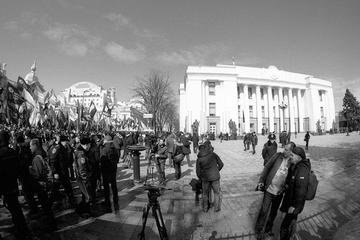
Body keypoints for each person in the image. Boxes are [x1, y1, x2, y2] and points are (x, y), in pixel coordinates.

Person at [255, 142, 296, 239]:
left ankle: (268, 230)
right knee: (264, 211)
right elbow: (267, 167)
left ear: (291, 152)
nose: (284, 151)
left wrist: (285, 187)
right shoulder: (278, 156)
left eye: (286, 150)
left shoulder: (292, 163)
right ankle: (259, 231)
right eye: (284, 149)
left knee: (273, 212)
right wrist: (261, 180)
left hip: (279, 193)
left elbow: (292, 178)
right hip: (269, 189)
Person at [0, 130, 33, 239]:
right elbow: (18, 168)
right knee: (16, 209)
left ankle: (21, 230)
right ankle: (23, 229)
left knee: (13, 208)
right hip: (13, 184)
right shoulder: (13, 151)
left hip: (4, 186)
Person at [279, 147, 310, 240]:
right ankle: (291, 237)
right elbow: (291, 183)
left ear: (299, 157)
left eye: (292, 155)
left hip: (293, 204)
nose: (290, 156)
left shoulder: (302, 170)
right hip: (290, 201)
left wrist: (295, 207)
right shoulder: (296, 166)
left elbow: (301, 190)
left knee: (284, 227)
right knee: (291, 223)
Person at [29, 138, 58, 231]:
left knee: (45, 206)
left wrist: (30, 170)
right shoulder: (42, 154)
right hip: (47, 184)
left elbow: (37, 174)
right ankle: (50, 222)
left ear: (35, 145)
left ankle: (52, 224)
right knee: (46, 205)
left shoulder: (37, 158)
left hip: (42, 185)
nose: (30, 148)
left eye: (30, 146)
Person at [48, 134, 75, 208]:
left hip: (64, 171)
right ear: (63, 141)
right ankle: (49, 204)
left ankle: (72, 201)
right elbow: (52, 161)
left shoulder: (63, 148)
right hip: (59, 172)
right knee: (55, 189)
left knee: (68, 187)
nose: (67, 143)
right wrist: (55, 172)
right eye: (66, 141)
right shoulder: (56, 148)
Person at [196, 141, 224, 212]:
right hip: (215, 177)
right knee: (216, 193)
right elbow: (221, 164)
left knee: (205, 193)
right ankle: (216, 208)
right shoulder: (213, 154)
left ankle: (205, 208)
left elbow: (198, 172)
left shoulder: (199, 159)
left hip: (205, 178)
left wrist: (201, 178)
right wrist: (216, 171)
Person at [73, 137, 93, 217]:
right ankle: (82, 211)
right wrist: (85, 179)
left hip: (81, 177)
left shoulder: (79, 151)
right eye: (89, 145)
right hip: (83, 178)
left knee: (85, 195)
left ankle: (85, 210)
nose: (89, 146)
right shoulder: (81, 154)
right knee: (88, 196)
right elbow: (82, 169)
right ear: (87, 144)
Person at [100, 135, 119, 212]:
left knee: (106, 187)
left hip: (106, 171)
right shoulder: (115, 148)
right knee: (114, 185)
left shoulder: (104, 149)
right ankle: (115, 199)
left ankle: (107, 201)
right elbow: (117, 158)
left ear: (106, 140)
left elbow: (102, 160)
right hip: (113, 170)